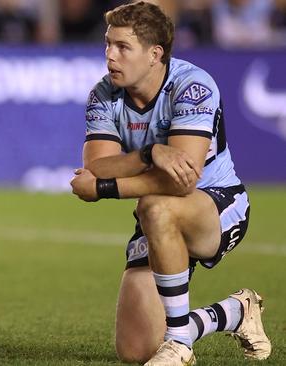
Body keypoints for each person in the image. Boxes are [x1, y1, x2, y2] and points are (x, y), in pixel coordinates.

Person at [70, 2, 270, 365]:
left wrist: (103, 189)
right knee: (136, 351)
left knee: (156, 204)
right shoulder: (103, 94)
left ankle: (179, 342)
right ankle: (236, 312)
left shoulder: (192, 86)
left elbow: (181, 183)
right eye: (107, 45)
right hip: (155, 216)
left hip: (216, 203)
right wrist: (149, 153)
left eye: (122, 47)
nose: (110, 56)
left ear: (154, 54)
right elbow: (97, 165)